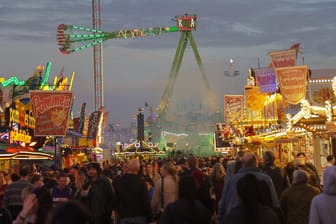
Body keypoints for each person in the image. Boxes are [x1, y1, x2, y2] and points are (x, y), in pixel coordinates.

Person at [217, 152, 279, 223]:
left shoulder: (232, 180)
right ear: (256, 163)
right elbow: (275, 202)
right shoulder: (266, 179)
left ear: (243, 164)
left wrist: (221, 219)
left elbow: (223, 202)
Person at [113, 158, 153, 224]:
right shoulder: (141, 182)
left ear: (129, 167)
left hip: (125, 215)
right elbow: (146, 201)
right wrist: (150, 218)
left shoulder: (119, 181)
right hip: (140, 215)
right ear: (138, 169)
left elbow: (116, 199)